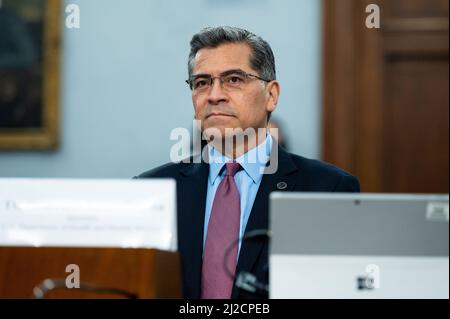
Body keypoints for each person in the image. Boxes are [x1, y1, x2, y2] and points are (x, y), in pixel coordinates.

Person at [136, 26, 360, 299]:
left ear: (271, 95)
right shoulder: (152, 190)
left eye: (233, 80)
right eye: (202, 82)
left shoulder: (327, 189)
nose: (214, 95)